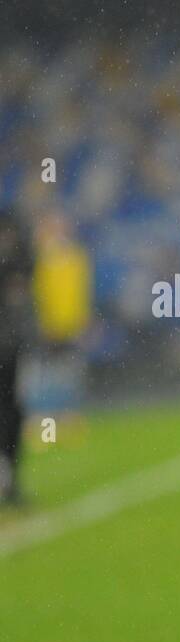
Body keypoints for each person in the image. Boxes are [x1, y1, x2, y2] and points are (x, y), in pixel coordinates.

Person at [0, 201, 34, 507]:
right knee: (10, 408)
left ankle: (9, 476)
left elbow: (24, 270)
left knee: (11, 409)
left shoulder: (12, 222)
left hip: (7, 342)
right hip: (8, 339)